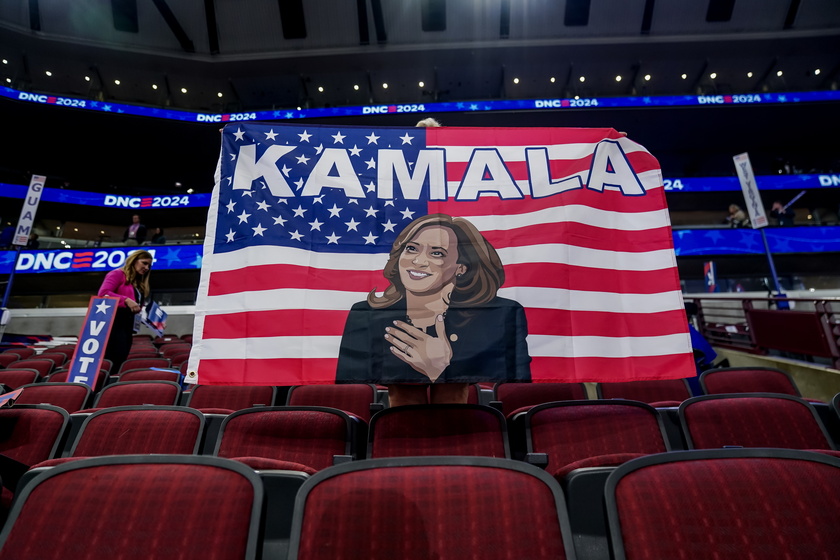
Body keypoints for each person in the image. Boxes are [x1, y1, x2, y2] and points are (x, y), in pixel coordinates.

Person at [335, 213, 531, 406]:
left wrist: (442, 370)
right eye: (411, 248)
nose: (418, 261)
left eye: (437, 253)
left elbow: (517, 385)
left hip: (461, 426)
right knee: (404, 394)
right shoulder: (366, 314)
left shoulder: (501, 315)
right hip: (399, 424)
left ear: (461, 267)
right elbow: (350, 384)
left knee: (452, 393)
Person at [98, 250, 153, 374]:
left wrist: (154, 321)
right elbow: (103, 294)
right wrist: (126, 300)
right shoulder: (117, 274)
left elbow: (137, 308)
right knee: (111, 361)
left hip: (127, 326)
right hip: (113, 324)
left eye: (149, 265)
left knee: (120, 360)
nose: (146, 268)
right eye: (144, 263)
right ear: (133, 260)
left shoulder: (138, 283)